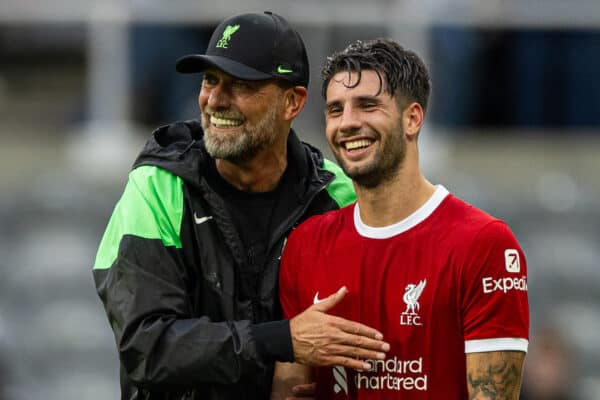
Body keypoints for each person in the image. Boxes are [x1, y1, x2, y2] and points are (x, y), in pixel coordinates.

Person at [92, 12, 390, 400]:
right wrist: (281, 341)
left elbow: (371, 339)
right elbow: (146, 347)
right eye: (210, 80)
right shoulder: (156, 188)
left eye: (240, 85)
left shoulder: (338, 197)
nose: (215, 100)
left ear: (292, 102)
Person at [272, 38, 530, 399]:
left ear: (412, 118)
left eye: (367, 105)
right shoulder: (306, 244)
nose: (347, 123)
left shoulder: (483, 243)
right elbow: (288, 391)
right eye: (335, 110)